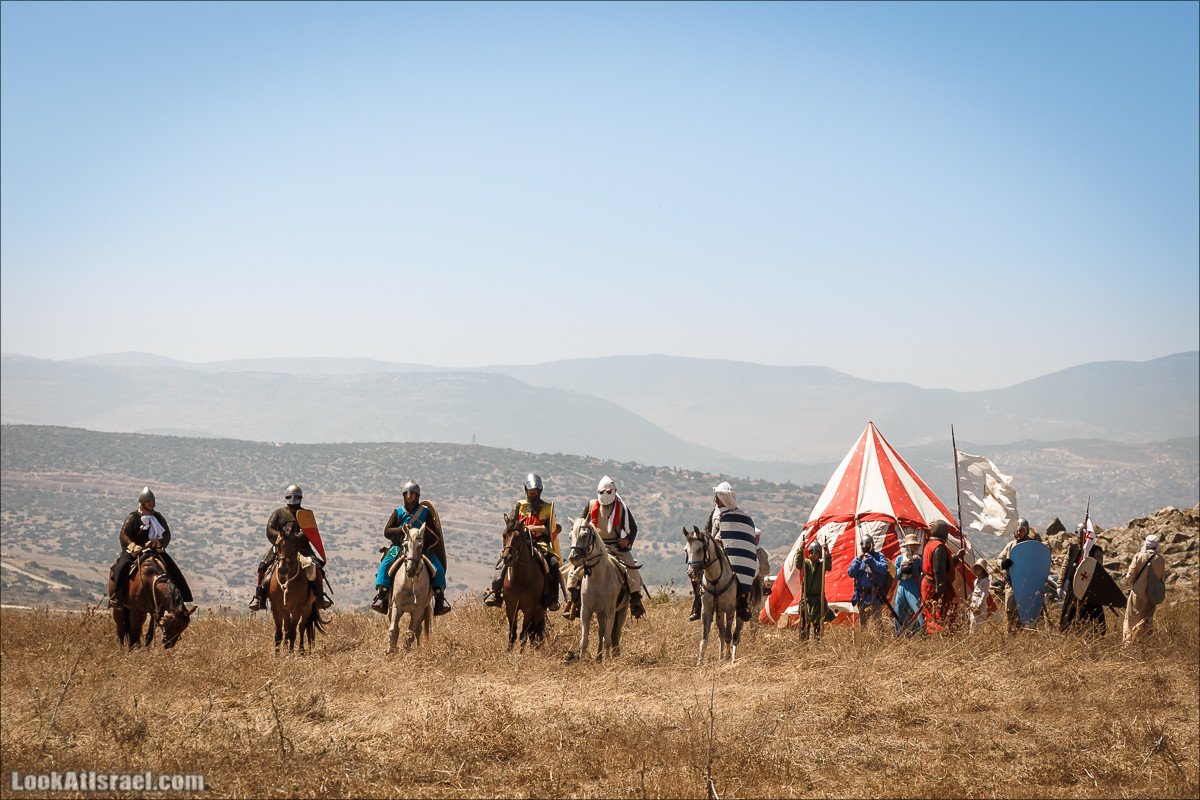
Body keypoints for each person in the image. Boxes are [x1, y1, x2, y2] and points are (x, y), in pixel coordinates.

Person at [563, 475, 645, 620]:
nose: (604, 496)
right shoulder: (590, 505)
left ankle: (635, 601)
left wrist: (627, 540)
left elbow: (633, 528)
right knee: (575, 567)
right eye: (601, 493)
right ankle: (573, 600)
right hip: (594, 546)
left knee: (631, 568)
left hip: (616, 546)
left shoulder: (622, 508)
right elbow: (582, 523)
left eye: (607, 492)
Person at [371, 481, 451, 616]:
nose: (409, 496)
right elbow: (387, 531)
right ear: (403, 495)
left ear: (417, 495)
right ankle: (382, 597)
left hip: (421, 548)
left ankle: (439, 600)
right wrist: (401, 530)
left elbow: (433, 534)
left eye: (412, 494)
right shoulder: (398, 512)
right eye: (407, 494)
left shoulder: (425, 513)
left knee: (437, 568)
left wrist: (421, 540)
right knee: (386, 564)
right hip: (400, 546)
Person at [484, 473, 561, 611]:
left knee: (554, 563)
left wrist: (539, 528)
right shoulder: (519, 505)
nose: (533, 493)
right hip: (521, 541)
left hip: (540, 543)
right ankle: (495, 592)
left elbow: (553, 528)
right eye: (530, 491)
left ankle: (554, 598)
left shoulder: (548, 507)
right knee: (502, 560)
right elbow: (511, 524)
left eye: (535, 491)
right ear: (526, 490)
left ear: (540, 491)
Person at [248, 485, 331, 611]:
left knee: (316, 568)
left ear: (301, 498)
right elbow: (270, 529)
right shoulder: (278, 513)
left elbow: (308, 532)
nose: (293, 499)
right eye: (291, 496)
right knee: (262, 567)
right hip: (280, 547)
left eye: (297, 497)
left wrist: (294, 539)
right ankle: (260, 598)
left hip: (302, 548)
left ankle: (320, 598)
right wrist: (282, 538)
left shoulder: (305, 515)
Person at [109, 487, 193, 608]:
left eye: (153, 501)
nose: (152, 504)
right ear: (142, 503)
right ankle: (117, 594)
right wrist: (133, 546)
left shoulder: (159, 517)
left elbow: (166, 535)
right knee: (122, 565)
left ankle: (181, 599)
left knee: (173, 569)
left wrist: (156, 542)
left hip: (154, 549)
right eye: (149, 501)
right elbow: (124, 535)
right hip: (135, 551)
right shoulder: (133, 517)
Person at [707, 482, 758, 622]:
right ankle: (698, 604)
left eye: (717, 497)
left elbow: (741, 537)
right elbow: (708, 531)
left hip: (730, 552)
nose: (715, 500)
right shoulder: (714, 513)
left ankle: (742, 604)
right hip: (715, 550)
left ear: (723, 499)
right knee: (699, 570)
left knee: (738, 574)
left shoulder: (738, 515)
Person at [1058, 522, 1108, 634]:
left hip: (1089, 592)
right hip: (1073, 589)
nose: (1079, 540)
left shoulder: (1096, 551)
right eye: (1078, 537)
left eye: (1082, 537)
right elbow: (1065, 567)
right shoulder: (1073, 549)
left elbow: (1098, 571)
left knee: (1089, 619)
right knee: (1068, 619)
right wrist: (1060, 585)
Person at [1123, 534, 1167, 643]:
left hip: (1137, 595)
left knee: (1130, 621)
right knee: (1147, 621)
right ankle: (1143, 644)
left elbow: (1131, 576)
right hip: (1152, 594)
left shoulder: (1139, 556)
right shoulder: (1161, 559)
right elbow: (1161, 578)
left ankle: (1128, 646)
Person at [921, 520, 959, 634]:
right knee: (939, 615)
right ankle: (939, 640)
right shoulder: (939, 547)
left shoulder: (929, 545)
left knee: (931, 615)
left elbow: (944, 564)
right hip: (936, 586)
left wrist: (956, 558)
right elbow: (938, 570)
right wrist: (940, 590)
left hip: (929, 584)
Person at [997, 517, 1033, 632]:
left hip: (1027, 584)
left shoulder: (1031, 545)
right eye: (1016, 530)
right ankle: (1012, 633)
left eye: (1021, 530)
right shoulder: (1010, 545)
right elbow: (999, 559)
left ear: (1026, 531)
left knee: (1026, 610)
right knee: (1010, 610)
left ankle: (1025, 633)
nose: (1018, 532)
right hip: (1012, 583)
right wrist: (1003, 563)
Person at [847, 531, 889, 628]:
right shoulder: (858, 559)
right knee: (863, 624)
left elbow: (883, 568)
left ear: (872, 545)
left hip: (875, 595)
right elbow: (850, 573)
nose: (865, 546)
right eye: (864, 544)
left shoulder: (878, 556)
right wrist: (858, 561)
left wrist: (872, 561)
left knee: (877, 624)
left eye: (868, 544)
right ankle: (864, 642)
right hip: (862, 596)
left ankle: (880, 642)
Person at [892, 533, 924, 637]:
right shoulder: (900, 559)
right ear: (907, 546)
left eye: (916, 545)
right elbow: (896, 575)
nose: (915, 547)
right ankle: (900, 635)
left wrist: (918, 562)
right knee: (899, 611)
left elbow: (923, 570)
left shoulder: (919, 558)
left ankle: (920, 634)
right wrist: (901, 568)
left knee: (918, 610)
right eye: (912, 545)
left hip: (913, 584)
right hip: (902, 585)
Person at [968, 559, 992, 633]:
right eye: (976, 568)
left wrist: (979, 605)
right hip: (974, 601)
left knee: (979, 622)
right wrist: (970, 597)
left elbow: (984, 593)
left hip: (980, 601)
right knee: (972, 620)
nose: (977, 570)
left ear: (983, 570)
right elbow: (975, 590)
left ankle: (978, 638)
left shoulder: (985, 580)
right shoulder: (976, 580)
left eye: (979, 568)